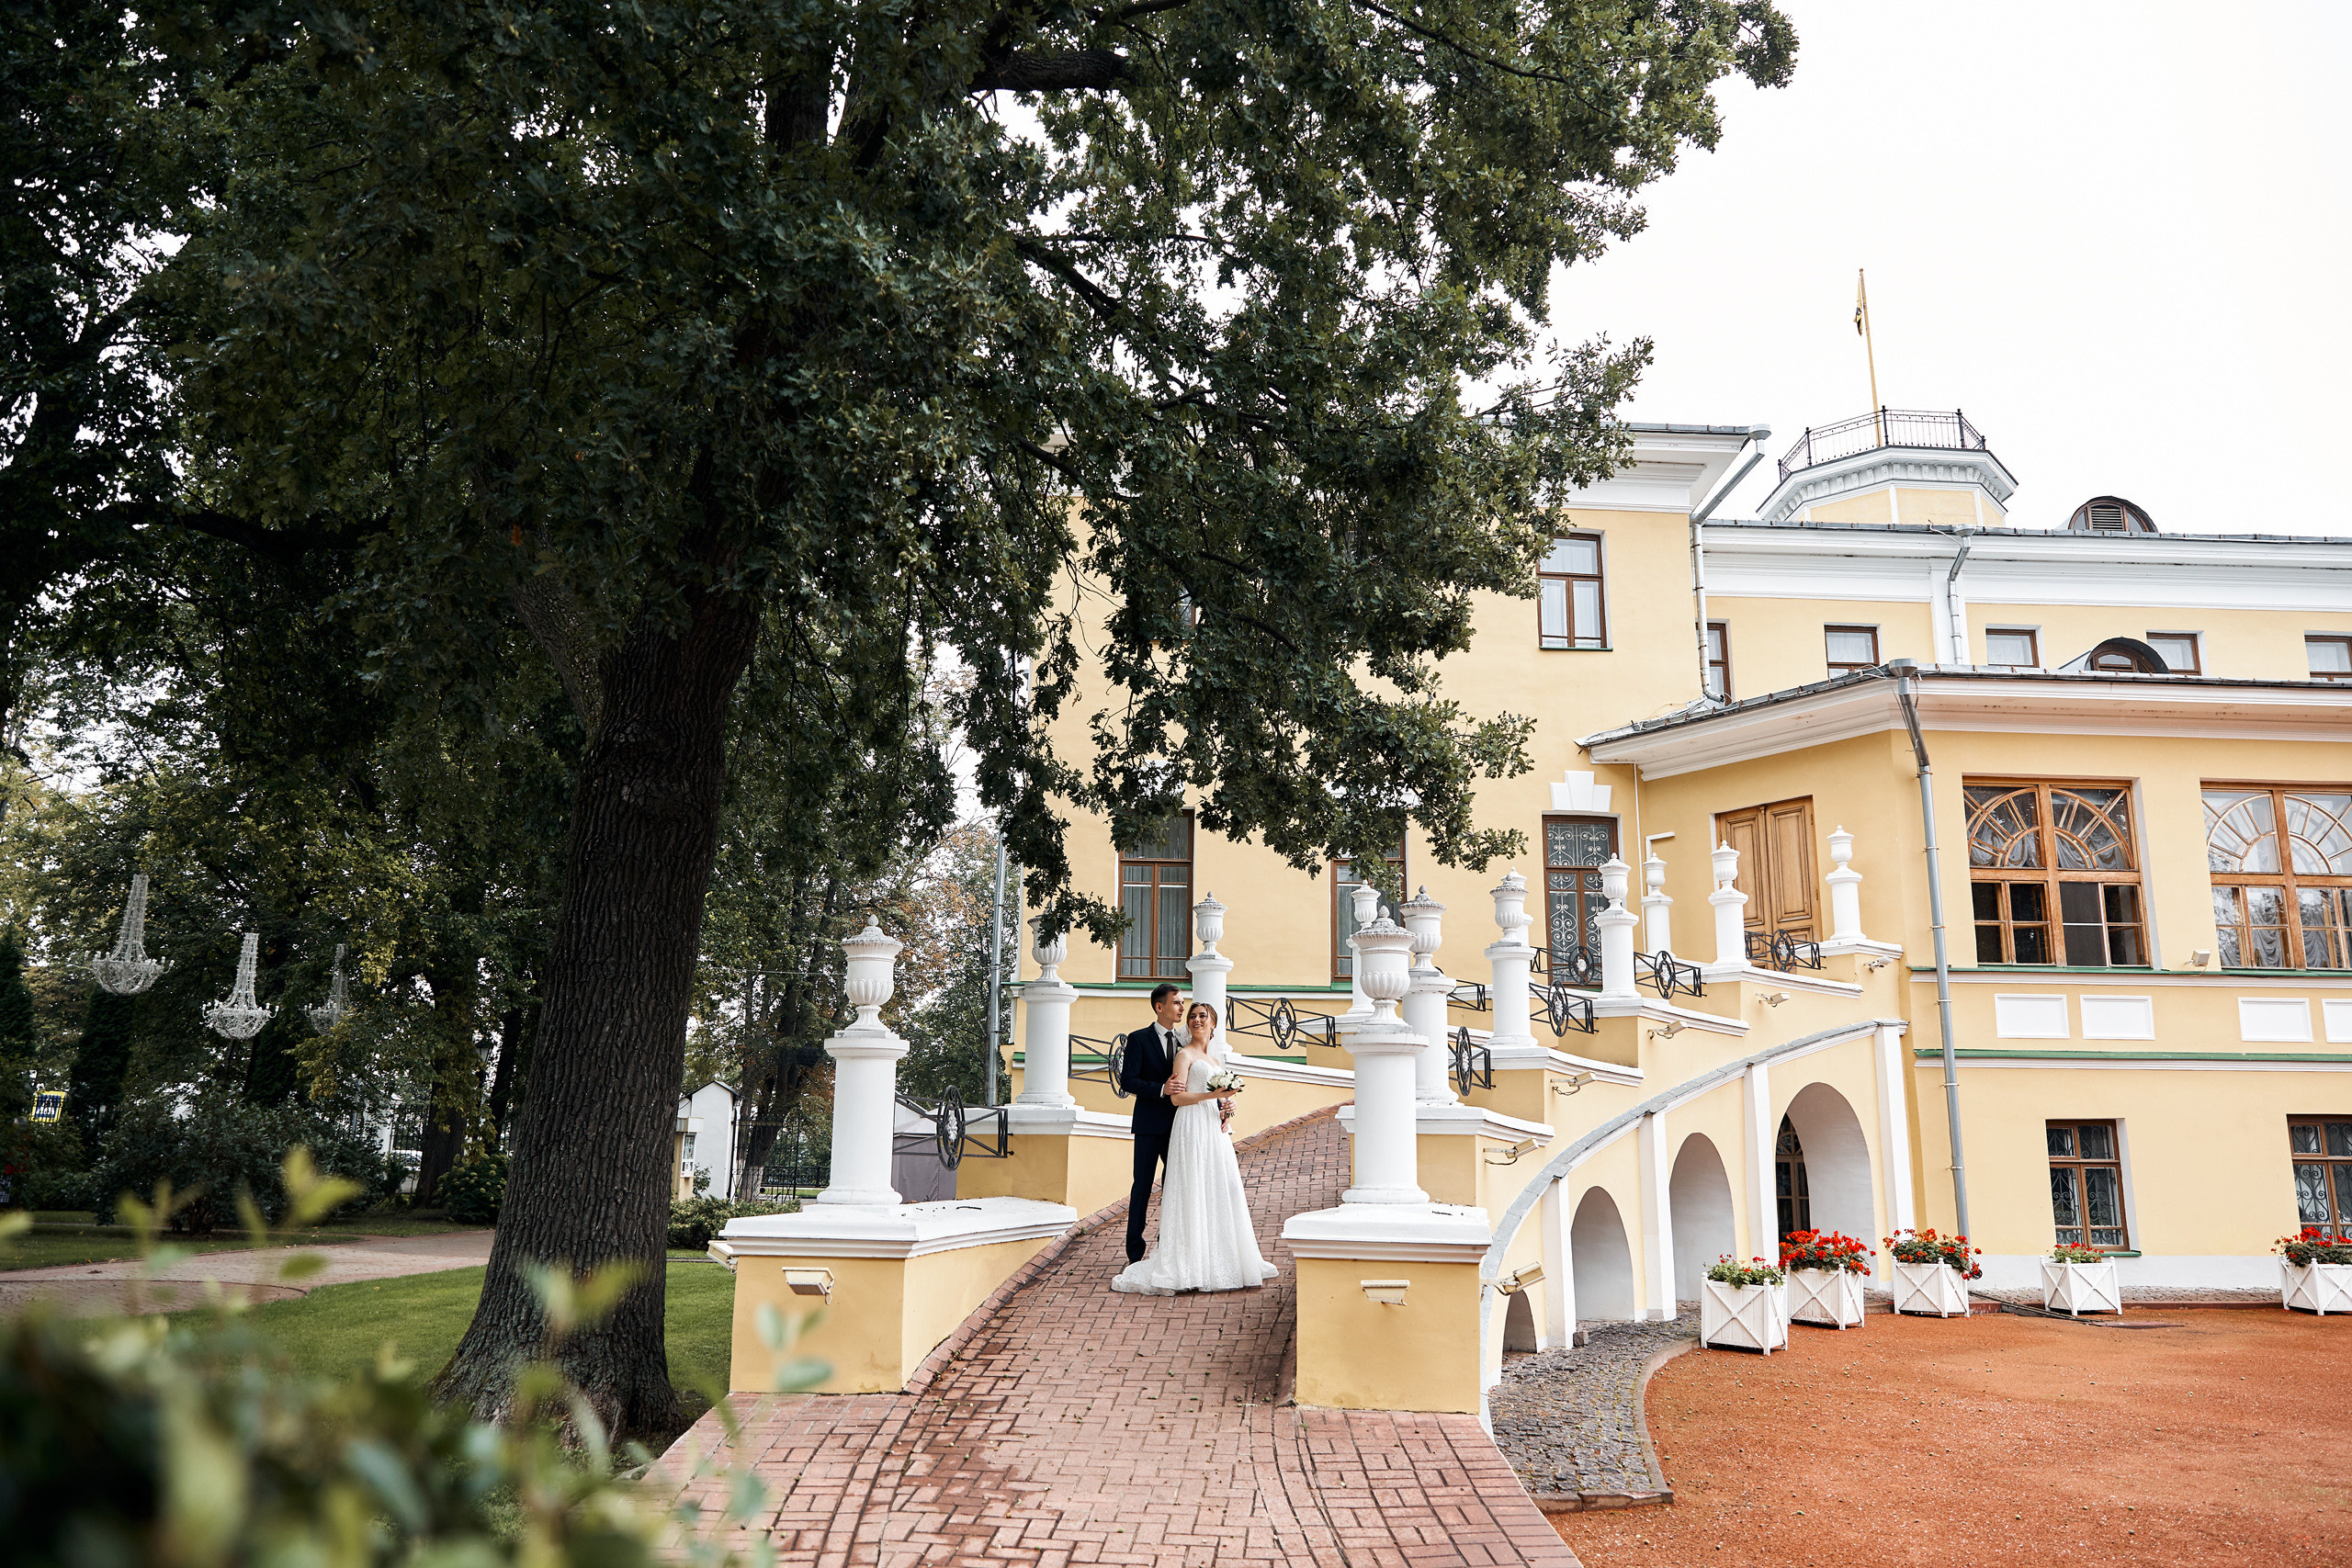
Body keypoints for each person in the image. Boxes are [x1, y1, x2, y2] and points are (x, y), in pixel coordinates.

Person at [1111, 1000, 1277, 1295]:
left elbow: (1218, 1096)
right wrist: (1210, 1095)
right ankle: (1190, 1263)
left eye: (1203, 1016)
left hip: (1215, 1129)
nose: (1197, 1020)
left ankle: (1222, 1258)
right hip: (1191, 1126)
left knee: (1218, 1188)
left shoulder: (1214, 1061)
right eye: (1193, 1016)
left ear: (1213, 1023)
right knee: (1193, 1188)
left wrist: (1228, 1105)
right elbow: (1177, 1099)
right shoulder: (1183, 1056)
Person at [1117, 983, 1187, 1265]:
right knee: (1142, 1186)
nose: (1182, 1007)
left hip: (1180, 1126)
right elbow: (1128, 1081)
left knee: (1175, 1187)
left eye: (1183, 1003)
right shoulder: (1138, 1039)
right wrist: (1161, 1089)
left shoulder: (1185, 1040)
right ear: (1160, 1007)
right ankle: (1134, 1252)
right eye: (1177, 1003)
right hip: (1148, 1125)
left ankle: (1167, 1247)